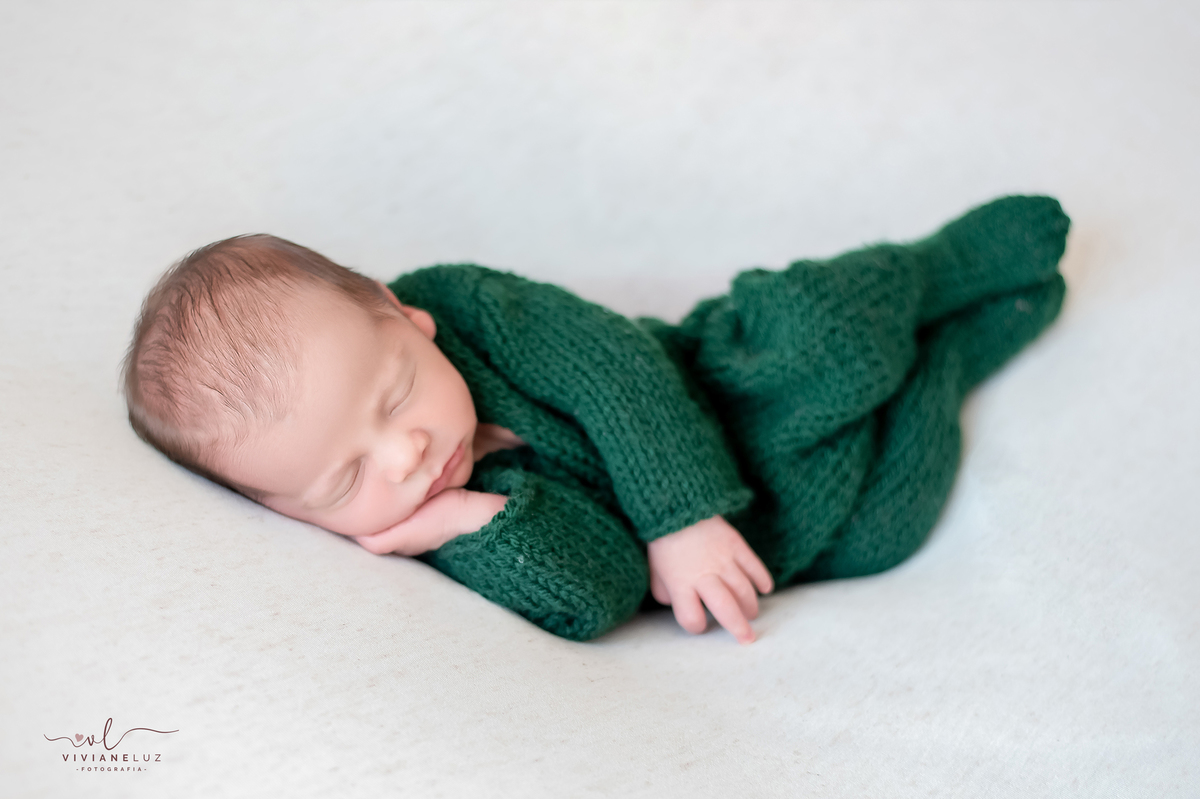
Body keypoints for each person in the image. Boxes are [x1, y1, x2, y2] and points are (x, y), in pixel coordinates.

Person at [121, 195, 1069, 643]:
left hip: (708, 384)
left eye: (396, 394)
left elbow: (614, 366)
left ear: (402, 316)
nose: (405, 456)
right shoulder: (436, 524)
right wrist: (467, 522)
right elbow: (605, 589)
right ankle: (951, 356)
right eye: (344, 480)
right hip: (772, 533)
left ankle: (935, 273)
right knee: (883, 526)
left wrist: (681, 512)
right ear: (292, 514)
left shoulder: (469, 306)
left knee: (814, 329)